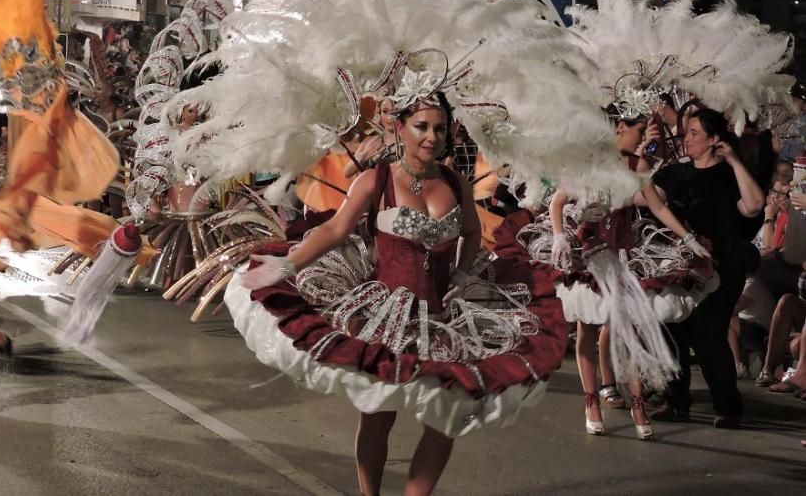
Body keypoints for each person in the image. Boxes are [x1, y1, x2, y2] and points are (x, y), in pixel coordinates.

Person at [235, 93, 564, 495]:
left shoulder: (453, 181)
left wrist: (461, 272)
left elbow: (473, 232)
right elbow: (334, 230)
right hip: (387, 315)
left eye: (440, 128)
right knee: (378, 414)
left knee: (447, 417)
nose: (431, 137)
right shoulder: (376, 180)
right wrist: (289, 264)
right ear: (399, 127)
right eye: (421, 127)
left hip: (446, 315)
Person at [545, 115, 712, 441]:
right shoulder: (587, 162)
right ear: (618, 128)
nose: (642, 139)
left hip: (624, 256)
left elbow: (658, 208)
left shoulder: (637, 164)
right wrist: (558, 236)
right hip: (589, 256)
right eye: (638, 131)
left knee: (632, 330)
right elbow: (558, 202)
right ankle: (591, 402)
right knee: (588, 329)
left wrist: (687, 239)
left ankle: (638, 404)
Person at [649, 108, 765, 427]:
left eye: (695, 133)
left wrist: (735, 161)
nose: (687, 139)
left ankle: (728, 408)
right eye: (686, 132)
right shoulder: (675, 173)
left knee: (709, 334)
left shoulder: (729, 175)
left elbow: (754, 205)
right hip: (681, 267)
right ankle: (677, 402)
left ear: (714, 139)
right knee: (672, 328)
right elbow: (644, 198)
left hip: (722, 267)